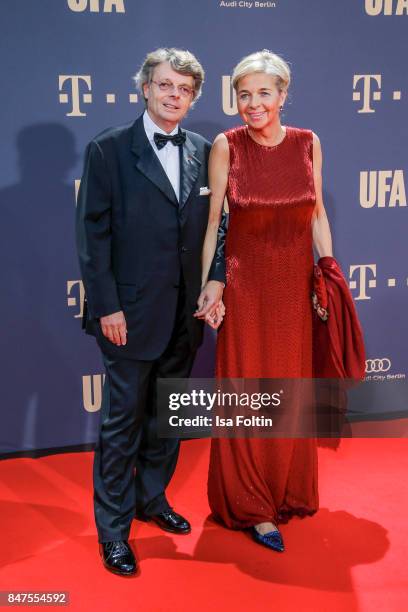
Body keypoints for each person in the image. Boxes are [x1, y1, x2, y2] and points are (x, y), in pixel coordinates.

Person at [76, 48, 225, 576]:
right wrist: (108, 306)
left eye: (184, 89)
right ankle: (113, 531)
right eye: (165, 85)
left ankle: (152, 499)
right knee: (122, 426)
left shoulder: (206, 150)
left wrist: (215, 281)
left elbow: (218, 227)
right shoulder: (109, 149)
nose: (173, 96)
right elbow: (92, 239)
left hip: (186, 315)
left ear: (194, 97)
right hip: (129, 315)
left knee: (168, 421)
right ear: (145, 87)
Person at [196, 50, 333, 552]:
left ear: (283, 95)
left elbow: (317, 214)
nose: (252, 104)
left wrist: (327, 273)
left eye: (263, 93)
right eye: (243, 94)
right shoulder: (226, 145)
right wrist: (211, 286)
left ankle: (287, 490)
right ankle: (253, 506)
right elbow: (214, 223)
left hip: (293, 289)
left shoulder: (308, 143)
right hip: (246, 288)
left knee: (291, 390)